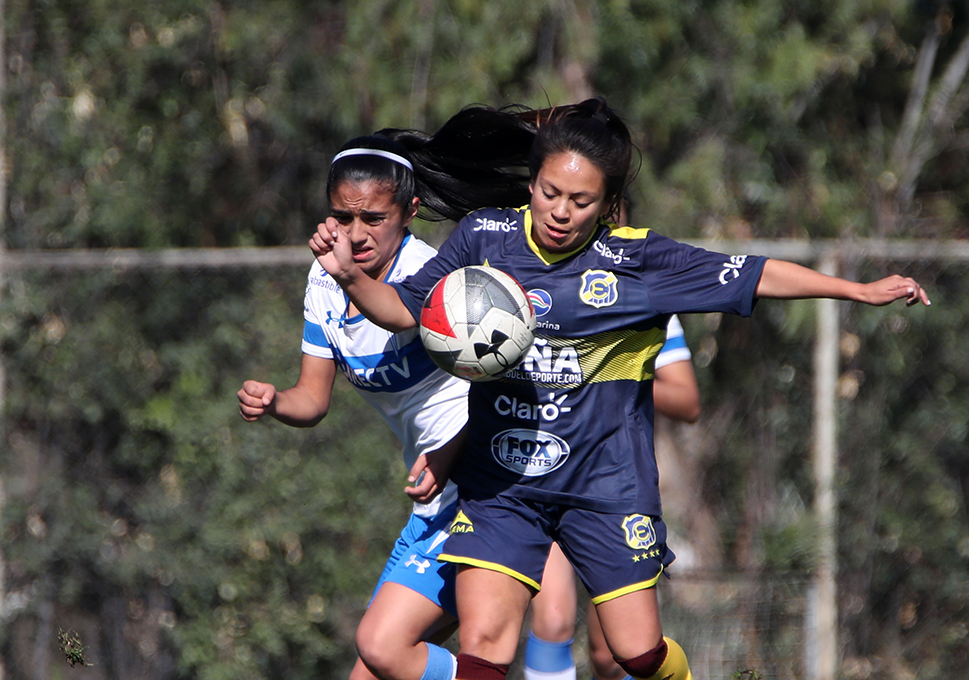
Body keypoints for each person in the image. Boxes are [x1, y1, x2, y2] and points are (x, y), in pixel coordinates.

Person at [309, 97, 930, 680]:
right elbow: (405, 310)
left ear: (607, 204)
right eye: (550, 192)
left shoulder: (637, 262)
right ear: (531, 183)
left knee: (636, 654)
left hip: (604, 483)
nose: (560, 211)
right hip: (504, 481)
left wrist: (859, 291)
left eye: (581, 200)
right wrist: (349, 276)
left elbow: (758, 274)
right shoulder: (484, 237)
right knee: (485, 644)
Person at [237, 136, 477, 680]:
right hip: (430, 504)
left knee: (381, 646)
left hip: (474, 486)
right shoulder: (325, 278)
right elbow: (312, 398)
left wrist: (349, 275)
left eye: (374, 217)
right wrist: (275, 401)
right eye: (343, 216)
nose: (356, 233)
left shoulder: (430, 271)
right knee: (375, 666)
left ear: (409, 212)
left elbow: (402, 317)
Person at [526, 317, 700, 680]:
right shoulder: (531, 287)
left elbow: (687, 401)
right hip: (542, 480)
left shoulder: (640, 295)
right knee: (552, 622)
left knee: (611, 653)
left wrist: (607, 374)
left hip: (612, 487)